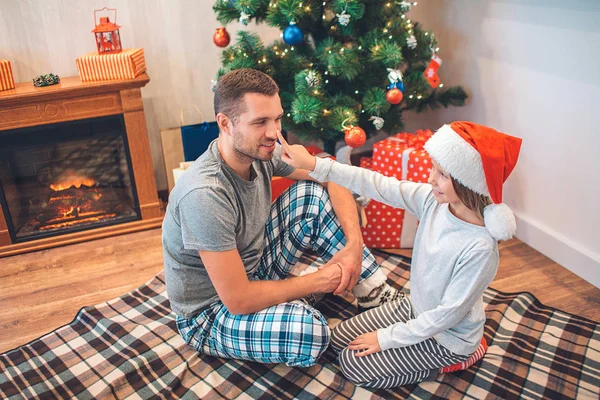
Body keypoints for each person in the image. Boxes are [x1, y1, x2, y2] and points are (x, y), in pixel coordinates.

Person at [162, 68, 398, 368]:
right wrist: (317, 281)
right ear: (225, 123)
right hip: (212, 312)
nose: (274, 132)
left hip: (254, 268)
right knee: (310, 331)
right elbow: (237, 299)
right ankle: (295, 304)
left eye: (277, 118)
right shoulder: (204, 194)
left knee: (309, 196)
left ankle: (376, 293)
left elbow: (330, 176)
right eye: (260, 122)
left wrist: (354, 243)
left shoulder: (262, 150)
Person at [276, 122, 522, 387]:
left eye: (442, 174)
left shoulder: (481, 249)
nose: (430, 179)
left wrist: (385, 339)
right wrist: (315, 164)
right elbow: (375, 183)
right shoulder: (431, 200)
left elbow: (445, 316)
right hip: (415, 308)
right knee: (336, 341)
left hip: (447, 338)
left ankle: (457, 360)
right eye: (433, 169)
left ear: (468, 183)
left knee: (353, 365)